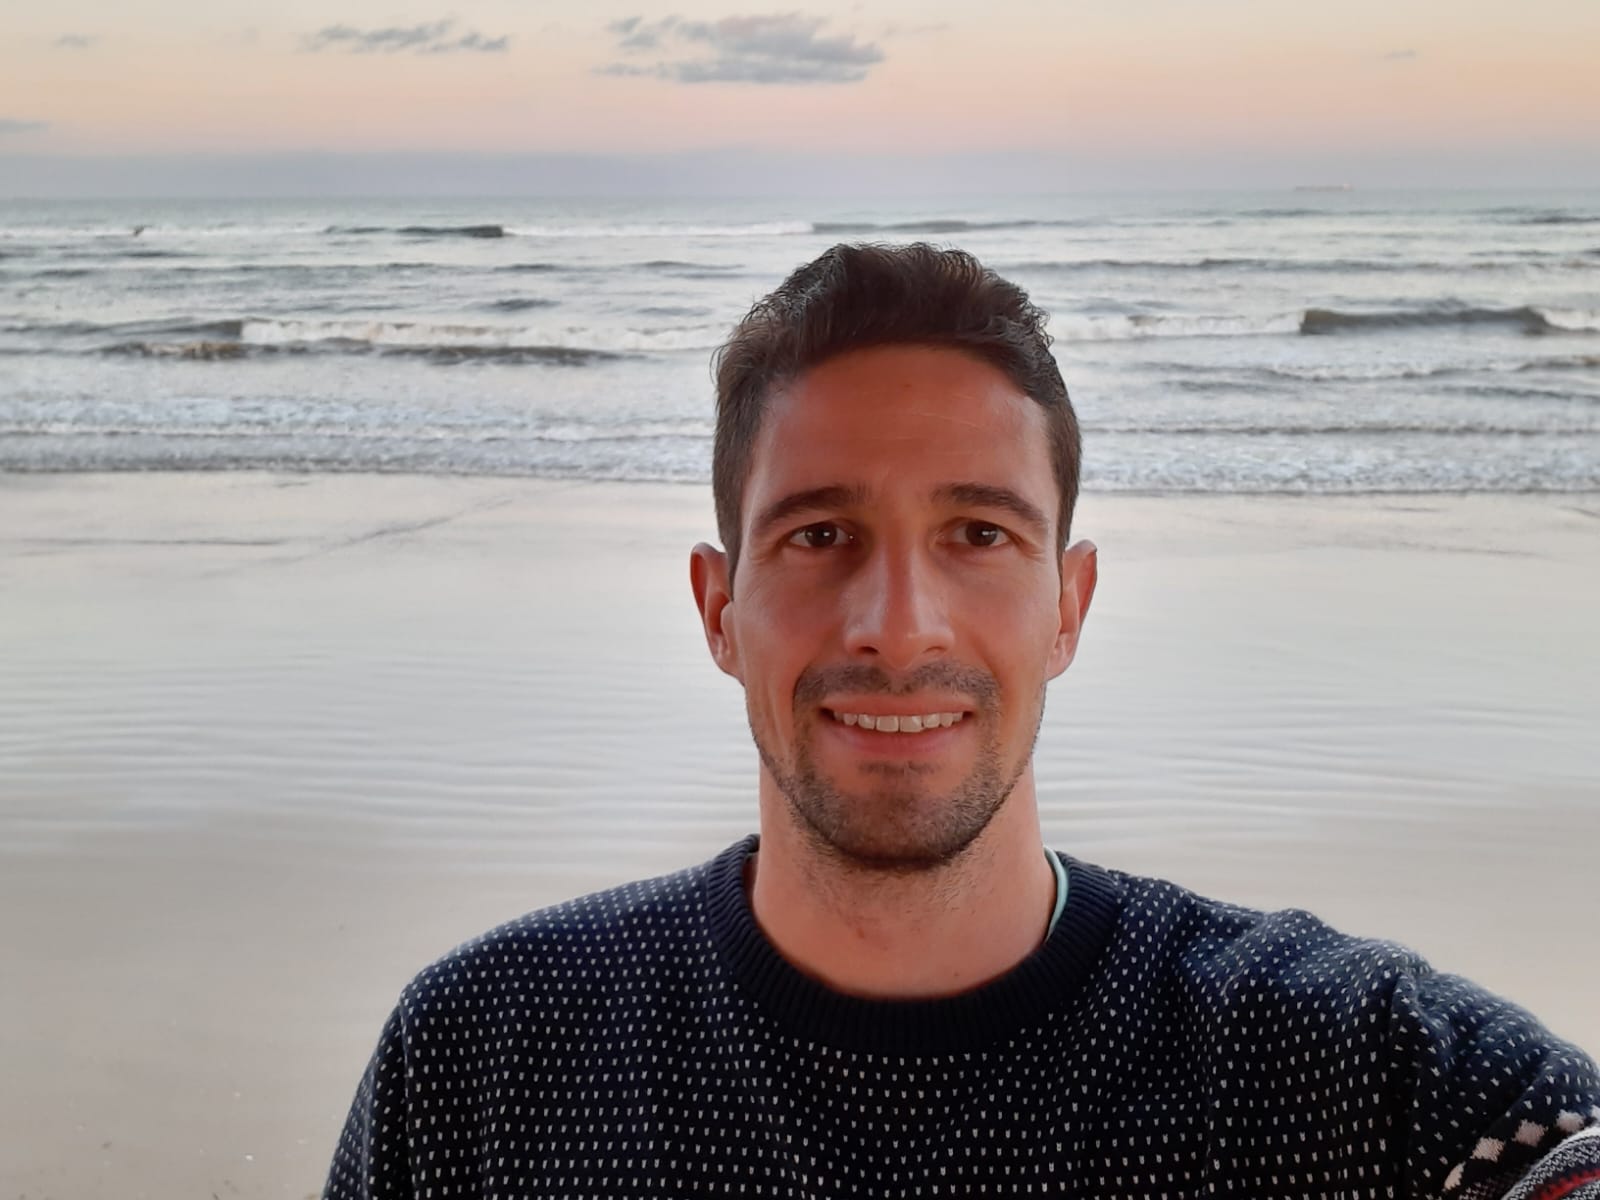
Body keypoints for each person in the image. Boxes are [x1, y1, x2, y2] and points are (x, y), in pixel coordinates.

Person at [324, 243, 1600, 1199]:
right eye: (819, 535)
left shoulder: (1354, 1076)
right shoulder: (488, 1057)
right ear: (719, 610)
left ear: (1068, 606)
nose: (899, 626)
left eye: (978, 534)